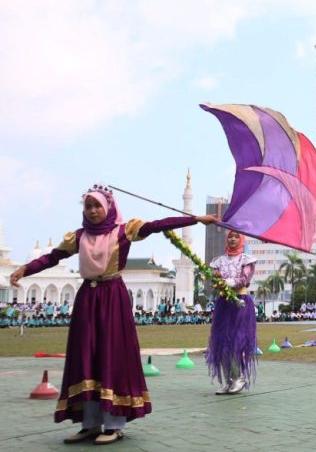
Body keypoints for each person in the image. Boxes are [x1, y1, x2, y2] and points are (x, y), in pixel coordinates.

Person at [9, 185, 217, 445]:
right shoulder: (79, 237)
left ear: (108, 207)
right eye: (88, 206)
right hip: (87, 300)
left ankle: (114, 425)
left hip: (112, 298)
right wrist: (25, 269)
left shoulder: (123, 231)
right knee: (86, 356)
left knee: (111, 355)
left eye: (98, 205)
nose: (93, 210)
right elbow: (52, 258)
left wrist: (196, 219)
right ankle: (90, 424)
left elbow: (158, 225)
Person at [206, 230, 257, 394]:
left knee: (235, 340)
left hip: (240, 302)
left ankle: (239, 377)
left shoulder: (246, 260)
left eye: (236, 236)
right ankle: (227, 380)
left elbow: (244, 280)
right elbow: (213, 279)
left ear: (241, 239)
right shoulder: (218, 261)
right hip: (223, 303)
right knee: (221, 341)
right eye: (230, 236)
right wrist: (216, 279)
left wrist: (227, 281)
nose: (233, 239)